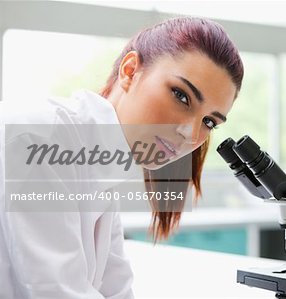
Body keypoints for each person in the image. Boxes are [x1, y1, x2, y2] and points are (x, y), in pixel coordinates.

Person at [0, 17, 244, 298]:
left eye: (209, 122)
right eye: (181, 95)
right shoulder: (42, 138)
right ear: (130, 71)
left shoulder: (102, 168)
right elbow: (54, 291)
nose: (190, 133)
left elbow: (117, 289)